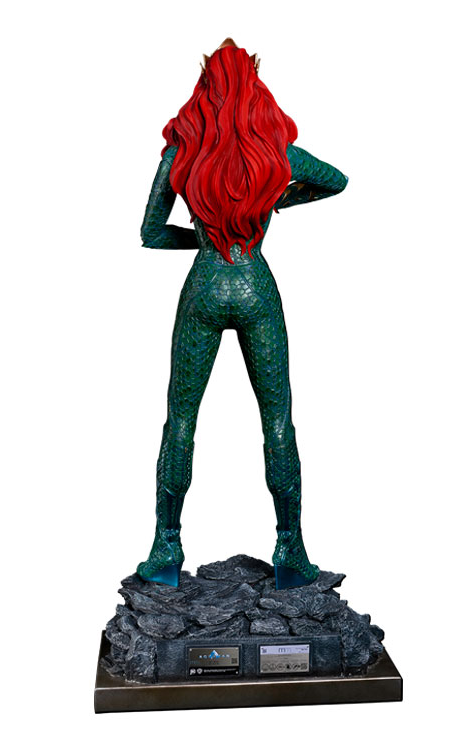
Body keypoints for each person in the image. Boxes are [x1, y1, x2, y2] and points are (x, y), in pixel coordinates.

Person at [136, 39, 348, 589]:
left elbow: (151, 233)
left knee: (180, 420)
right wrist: (277, 197)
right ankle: (291, 551)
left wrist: (209, 242)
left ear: (204, 86)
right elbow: (335, 180)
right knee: (277, 420)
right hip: (256, 285)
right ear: (255, 86)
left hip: (205, 287)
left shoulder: (181, 155)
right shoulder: (278, 155)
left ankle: (165, 550)